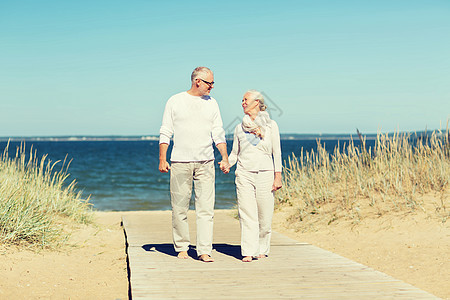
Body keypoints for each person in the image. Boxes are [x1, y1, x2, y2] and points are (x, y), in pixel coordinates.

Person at [159, 66, 230, 262]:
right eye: (210, 83)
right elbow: (166, 130)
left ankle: (204, 250)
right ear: (197, 81)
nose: (212, 87)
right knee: (179, 208)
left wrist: (224, 157)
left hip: (206, 162)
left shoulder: (212, 103)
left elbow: (218, 132)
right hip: (180, 162)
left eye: (213, 83)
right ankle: (182, 247)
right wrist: (162, 158)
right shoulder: (175, 101)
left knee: (206, 209)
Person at [223, 90, 282, 262]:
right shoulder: (239, 127)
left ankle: (262, 247)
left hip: (265, 173)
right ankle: (248, 250)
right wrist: (227, 163)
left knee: (265, 215)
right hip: (244, 174)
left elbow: (276, 153)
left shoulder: (271, 125)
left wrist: (277, 177)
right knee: (247, 213)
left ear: (256, 102)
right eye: (241, 100)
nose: (242, 103)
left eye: (245, 100)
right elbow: (235, 153)